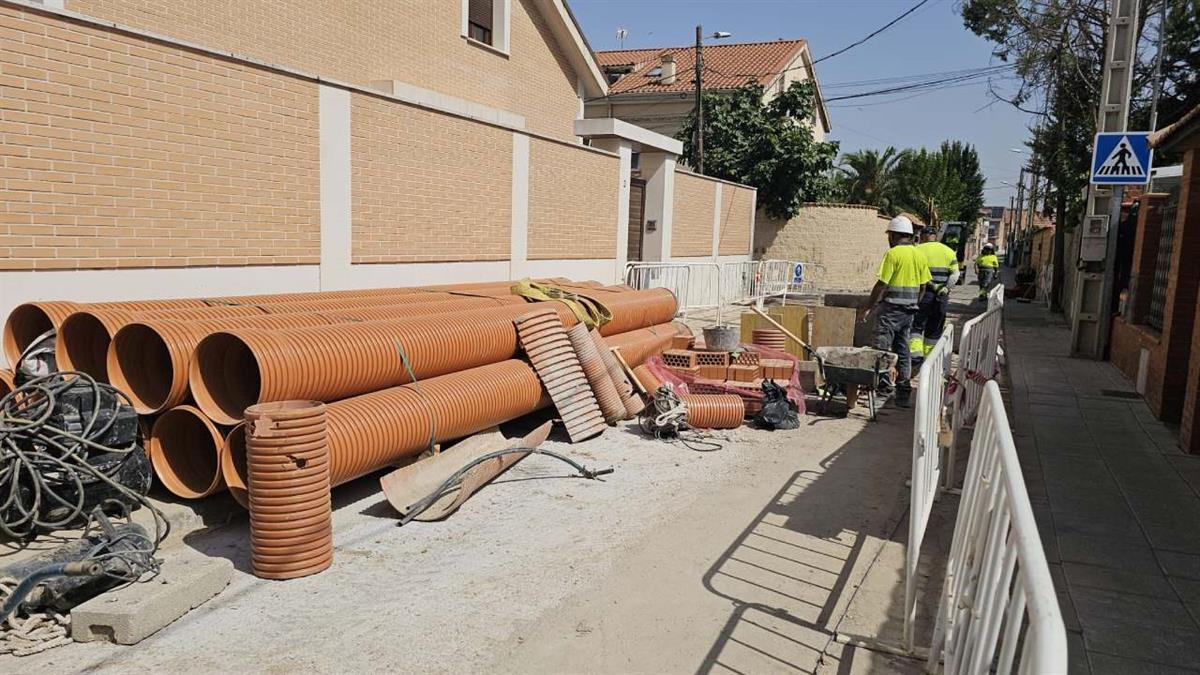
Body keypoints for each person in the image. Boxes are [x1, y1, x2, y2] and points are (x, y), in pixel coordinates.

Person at [857, 216, 931, 406]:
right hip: (909, 312)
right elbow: (923, 287)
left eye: (889, 235)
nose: (888, 239)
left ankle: (883, 389)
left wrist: (868, 307)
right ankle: (903, 392)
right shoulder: (919, 255)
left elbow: (881, 283)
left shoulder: (893, 254)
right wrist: (914, 304)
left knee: (881, 349)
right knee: (903, 350)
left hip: (890, 310)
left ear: (895, 235)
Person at [910, 227, 960, 369]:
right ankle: (929, 359)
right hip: (941, 296)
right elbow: (955, 275)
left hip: (922, 294)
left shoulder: (917, 250)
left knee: (917, 324)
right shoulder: (948, 251)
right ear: (935, 236)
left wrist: (931, 285)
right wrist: (946, 289)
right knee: (935, 326)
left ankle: (915, 356)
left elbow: (916, 274)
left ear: (923, 236)